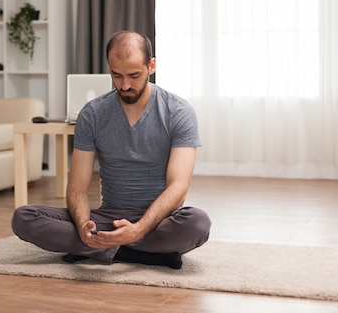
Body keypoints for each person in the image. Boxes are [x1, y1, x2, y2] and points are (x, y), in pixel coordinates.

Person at [11, 30, 211, 269]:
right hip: (107, 219)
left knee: (197, 223)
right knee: (23, 217)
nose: (125, 85)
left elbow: (178, 187)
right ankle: (142, 253)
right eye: (116, 75)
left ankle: (98, 249)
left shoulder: (178, 112)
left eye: (134, 75)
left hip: (158, 220)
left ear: (152, 66)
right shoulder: (93, 113)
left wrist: (138, 229)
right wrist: (85, 225)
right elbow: (77, 186)